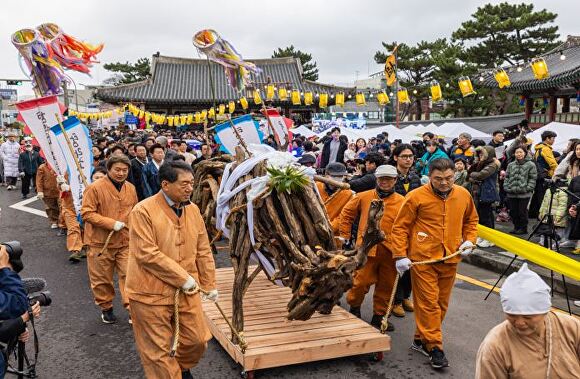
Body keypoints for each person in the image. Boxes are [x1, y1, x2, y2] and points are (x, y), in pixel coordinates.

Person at [126, 160, 216, 378]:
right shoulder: (142, 211)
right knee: (158, 353)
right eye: (184, 184)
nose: (189, 188)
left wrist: (209, 283)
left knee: (198, 340)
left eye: (192, 183)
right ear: (165, 184)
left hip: (187, 290)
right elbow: (146, 253)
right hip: (149, 293)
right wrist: (182, 278)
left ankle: (180, 367)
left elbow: (203, 249)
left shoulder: (193, 210)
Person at [391, 158, 478, 369]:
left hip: (451, 257)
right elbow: (400, 227)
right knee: (429, 303)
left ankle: (420, 340)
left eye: (449, 178)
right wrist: (400, 255)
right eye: (438, 179)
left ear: (455, 175)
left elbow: (471, 221)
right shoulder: (415, 197)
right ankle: (435, 347)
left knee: (441, 304)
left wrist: (469, 240)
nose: (444, 183)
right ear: (429, 177)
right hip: (423, 259)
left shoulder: (463, 194)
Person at [475, 263, 580, 378]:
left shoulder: (571, 326)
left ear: (545, 311)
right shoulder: (494, 346)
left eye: (528, 317)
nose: (519, 323)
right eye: (512, 315)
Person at [339, 165, 405, 331]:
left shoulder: (403, 202)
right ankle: (354, 309)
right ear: (376, 179)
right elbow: (346, 214)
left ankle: (379, 316)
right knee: (359, 283)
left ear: (395, 180)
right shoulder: (363, 196)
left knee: (387, 286)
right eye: (382, 178)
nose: (385, 182)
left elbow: (409, 225)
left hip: (391, 251)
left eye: (389, 179)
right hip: (366, 250)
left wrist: (404, 252)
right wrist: (345, 236)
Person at [81, 155, 138, 323]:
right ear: (109, 169)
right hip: (100, 242)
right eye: (117, 170)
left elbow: (135, 210)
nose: (121, 173)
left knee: (130, 275)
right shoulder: (94, 188)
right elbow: (86, 213)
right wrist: (111, 223)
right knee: (102, 279)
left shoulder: (131, 188)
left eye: (124, 170)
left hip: (125, 241)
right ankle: (106, 307)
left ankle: (131, 308)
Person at [468, 146, 500, 248]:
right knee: (480, 216)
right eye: (479, 154)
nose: (481, 156)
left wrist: (472, 174)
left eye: (482, 154)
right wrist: (473, 176)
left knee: (487, 217)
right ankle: (482, 236)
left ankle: (490, 239)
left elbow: (481, 175)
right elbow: (470, 177)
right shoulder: (480, 164)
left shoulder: (492, 165)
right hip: (479, 192)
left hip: (487, 192)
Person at [504, 146, 537, 235]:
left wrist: (527, 188)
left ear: (525, 153)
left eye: (521, 152)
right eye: (517, 152)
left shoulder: (530, 164)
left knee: (522, 211)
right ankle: (516, 227)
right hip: (512, 192)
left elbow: (532, 178)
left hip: (524, 193)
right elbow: (506, 177)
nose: (519, 154)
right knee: (513, 211)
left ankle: (523, 228)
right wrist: (507, 187)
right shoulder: (511, 164)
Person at [316, 163, 354, 234]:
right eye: (334, 176)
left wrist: (329, 229)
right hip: (313, 228)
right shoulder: (316, 187)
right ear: (326, 175)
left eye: (341, 176)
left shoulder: (348, 194)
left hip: (333, 233)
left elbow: (344, 216)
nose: (338, 179)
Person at [529, 130, 558, 219]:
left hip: (538, 175)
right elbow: (552, 164)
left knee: (537, 194)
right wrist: (557, 173)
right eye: (553, 138)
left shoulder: (538, 148)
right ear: (547, 139)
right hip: (545, 175)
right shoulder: (546, 149)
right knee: (543, 196)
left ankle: (532, 214)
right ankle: (540, 215)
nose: (554, 141)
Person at [35, 163, 60, 229]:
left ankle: (62, 221)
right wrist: (40, 191)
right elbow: (39, 180)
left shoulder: (59, 164)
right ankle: (54, 221)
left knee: (61, 207)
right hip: (48, 192)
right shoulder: (42, 167)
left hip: (59, 191)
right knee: (50, 208)